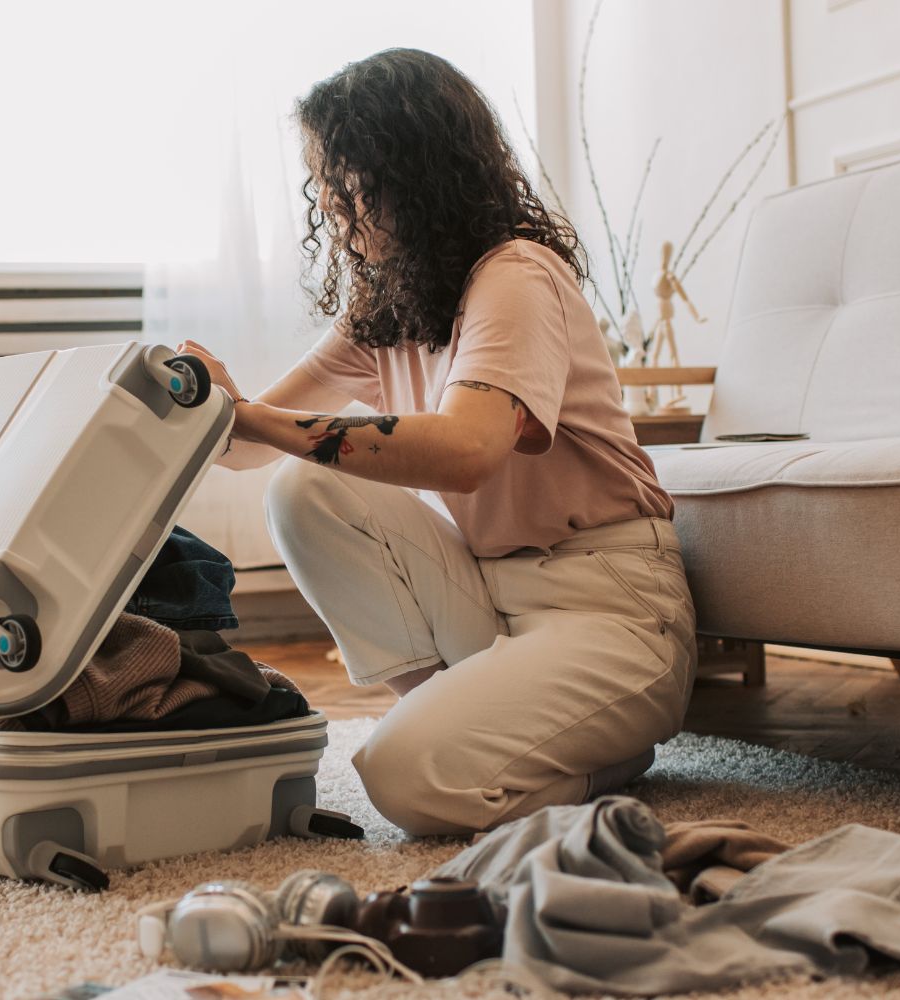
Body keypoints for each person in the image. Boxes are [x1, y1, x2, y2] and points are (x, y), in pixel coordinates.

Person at [178, 48, 696, 837]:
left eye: (345, 181)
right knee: (303, 485)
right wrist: (200, 404)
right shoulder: (388, 311)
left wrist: (252, 418)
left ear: (412, 174)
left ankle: (591, 759)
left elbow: (468, 449)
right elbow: (250, 446)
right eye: (323, 183)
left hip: (610, 604)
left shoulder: (518, 274)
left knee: (406, 781)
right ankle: (461, 720)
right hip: (488, 595)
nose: (332, 205)